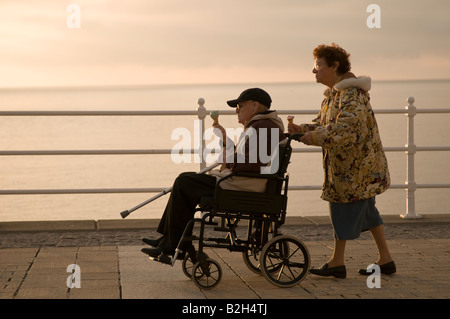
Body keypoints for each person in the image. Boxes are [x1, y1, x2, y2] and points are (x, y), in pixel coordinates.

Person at [288, 43, 395, 278]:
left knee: (341, 208)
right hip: (360, 168)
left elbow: (346, 130)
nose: (314, 71)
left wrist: (313, 136)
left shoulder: (351, 96)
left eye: (318, 66)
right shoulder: (337, 95)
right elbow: (326, 124)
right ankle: (385, 260)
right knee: (368, 211)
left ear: (334, 66)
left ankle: (337, 262)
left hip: (355, 170)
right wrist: (302, 129)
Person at [141, 88, 285, 259]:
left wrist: (229, 156)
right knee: (184, 181)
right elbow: (249, 160)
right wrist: (227, 142)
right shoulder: (263, 125)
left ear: (254, 106)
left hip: (242, 184)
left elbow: (250, 165)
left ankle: (172, 244)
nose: (236, 110)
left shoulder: (263, 127)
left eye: (240, 106)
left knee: (184, 182)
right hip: (241, 181)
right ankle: (170, 241)